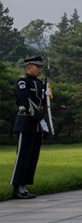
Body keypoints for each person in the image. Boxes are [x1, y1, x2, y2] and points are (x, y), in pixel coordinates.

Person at [10, 57, 49, 199]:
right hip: (26, 121)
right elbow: (26, 101)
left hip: (37, 124)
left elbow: (44, 104)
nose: (40, 69)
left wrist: (46, 122)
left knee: (32, 157)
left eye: (41, 67)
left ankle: (24, 186)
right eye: (37, 66)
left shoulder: (40, 83)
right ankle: (17, 187)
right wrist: (40, 119)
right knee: (23, 156)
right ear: (29, 66)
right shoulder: (22, 82)